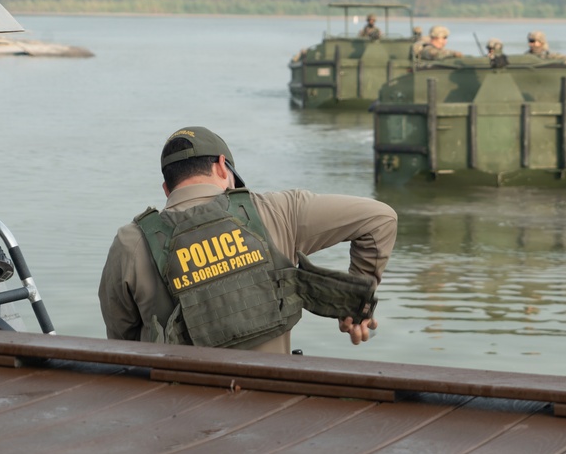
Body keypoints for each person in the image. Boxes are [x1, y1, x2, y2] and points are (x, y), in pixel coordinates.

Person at [99, 126, 398, 353]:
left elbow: (122, 342)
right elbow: (381, 218)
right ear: (221, 166)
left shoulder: (130, 242)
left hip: (178, 413)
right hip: (271, 410)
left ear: (167, 188)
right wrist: (356, 303)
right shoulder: (278, 211)